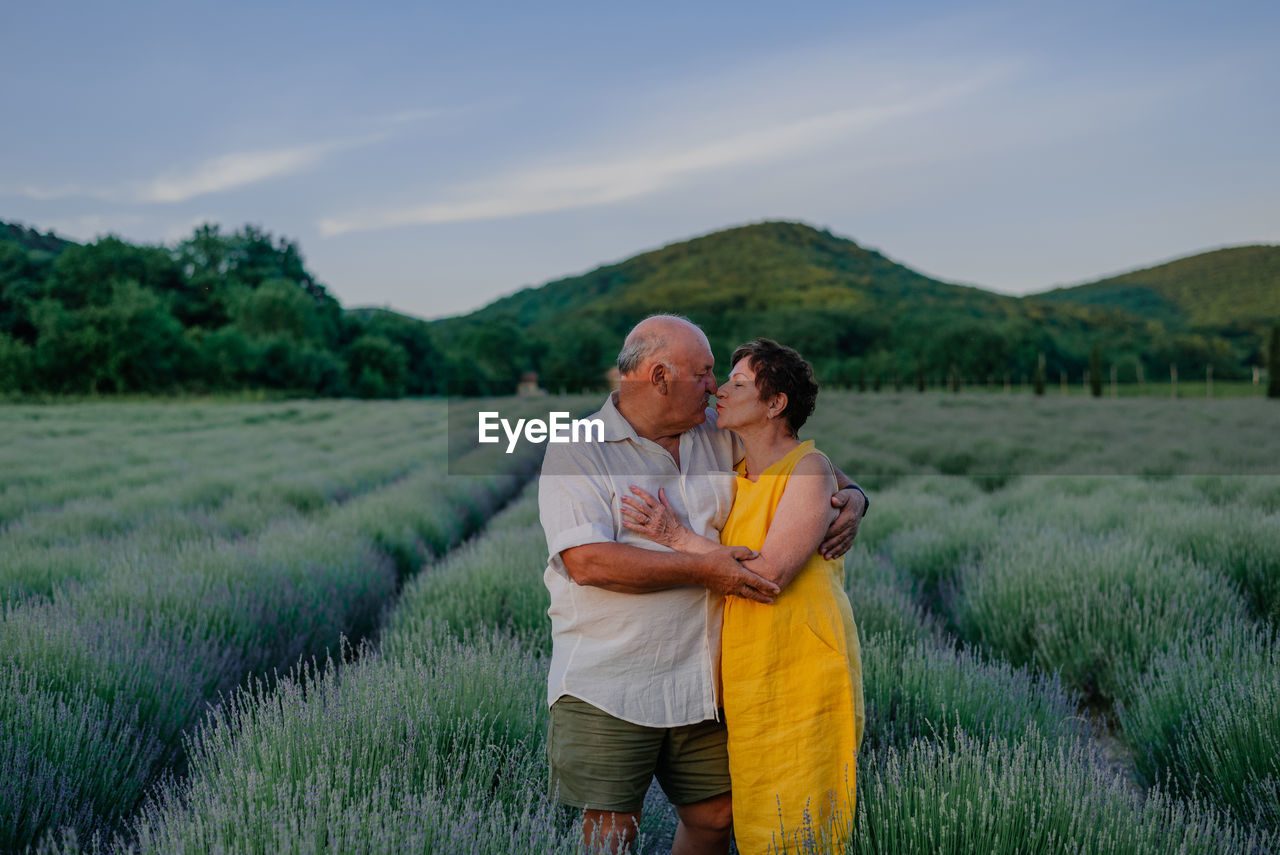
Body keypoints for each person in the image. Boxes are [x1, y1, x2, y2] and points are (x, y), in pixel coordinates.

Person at [538, 316, 867, 854]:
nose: (715, 386)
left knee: (716, 817)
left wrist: (855, 498)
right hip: (612, 682)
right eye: (706, 373)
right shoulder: (579, 449)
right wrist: (705, 564)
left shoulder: (715, 436)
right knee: (612, 832)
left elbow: (799, 460)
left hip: (705, 680)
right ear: (660, 376)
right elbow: (588, 562)